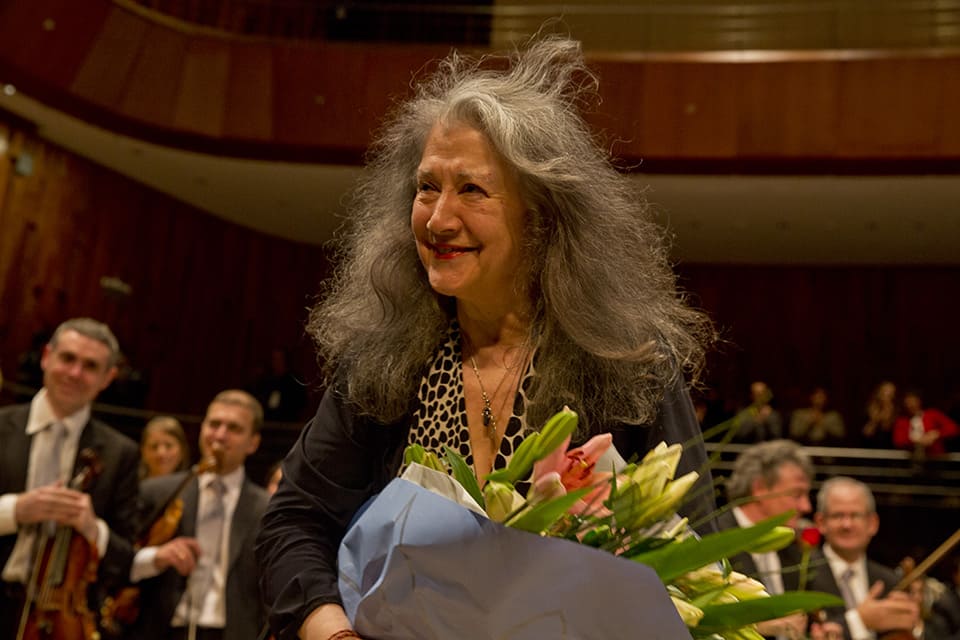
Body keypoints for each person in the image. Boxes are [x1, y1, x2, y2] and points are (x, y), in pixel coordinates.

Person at [256, 34, 716, 640]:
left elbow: (695, 562)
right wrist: (332, 631)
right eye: (426, 187)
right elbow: (293, 523)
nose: (439, 219)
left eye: (471, 189)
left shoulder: (628, 364)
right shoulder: (380, 361)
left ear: (543, 214)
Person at [0, 317, 140, 636]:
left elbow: (126, 559)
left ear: (108, 378)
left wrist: (94, 530)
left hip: (64, 621)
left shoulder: (121, 454)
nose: (75, 373)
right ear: (47, 357)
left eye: (90, 366)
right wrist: (15, 511)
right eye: (67, 359)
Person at [128, 389, 268, 640]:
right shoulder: (157, 492)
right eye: (214, 424)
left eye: (234, 429)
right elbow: (121, 558)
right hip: (162, 629)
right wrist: (156, 557)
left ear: (253, 443)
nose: (220, 436)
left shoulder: (267, 508)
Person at [718, 439, 815, 639]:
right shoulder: (713, 540)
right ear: (760, 489)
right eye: (797, 494)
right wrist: (758, 626)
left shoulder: (793, 550)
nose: (806, 507)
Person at [807, 476, 919, 639]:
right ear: (820, 522)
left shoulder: (890, 581)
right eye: (838, 515)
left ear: (872, 523)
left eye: (856, 515)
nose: (847, 525)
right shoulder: (802, 575)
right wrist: (860, 621)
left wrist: (914, 622)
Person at [892, 389, 959, 458]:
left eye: (913, 401)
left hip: (935, 458)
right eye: (907, 402)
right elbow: (898, 441)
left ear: (919, 401)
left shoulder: (932, 414)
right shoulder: (902, 421)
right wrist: (917, 440)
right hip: (912, 459)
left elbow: (954, 428)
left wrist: (937, 434)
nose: (910, 405)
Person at [862, 381, 897, 448]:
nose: (887, 395)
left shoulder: (896, 411)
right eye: (885, 391)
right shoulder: (869, 409)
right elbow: (867, 433)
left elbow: (887, 430)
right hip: (870, 449)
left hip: (890, 450)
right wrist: (875, 419)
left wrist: (887, 411)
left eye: (890, 393)